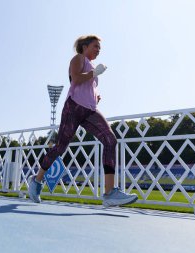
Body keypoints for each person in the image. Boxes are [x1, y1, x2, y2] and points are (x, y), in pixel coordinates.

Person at [28, 35, 138, 207]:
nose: (98, 50)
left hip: (89, 110)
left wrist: (95, 97)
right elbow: (76, 79)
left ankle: (110, 193)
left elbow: (86, 86)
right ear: (84, 46)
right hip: (73, 108)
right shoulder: (78, 58)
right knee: (60, 147)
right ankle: (36, 180)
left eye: (99, 48)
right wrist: (94, 73)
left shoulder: (93, 67)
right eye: (95, 46)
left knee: (110, 140)